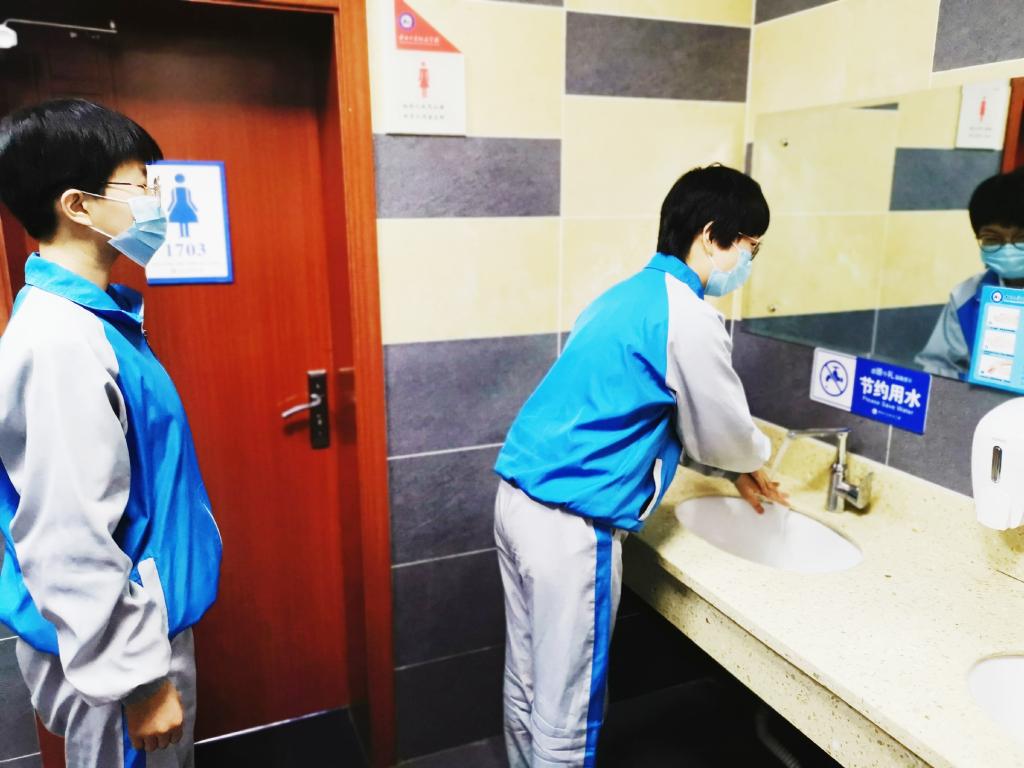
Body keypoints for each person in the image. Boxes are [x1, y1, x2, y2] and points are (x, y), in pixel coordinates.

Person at [493, 164, 787, 767]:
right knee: (567, 712)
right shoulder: (688, 315)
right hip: (570, 528)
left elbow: (647, 408)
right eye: (749, 247)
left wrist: (730, 466)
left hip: (518, 502)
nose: (747, 263)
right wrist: (751, 460)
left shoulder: (622, 295)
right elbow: (722, 430)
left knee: (528, 683)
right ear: (711, 234)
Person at [0, 98, 222, 767]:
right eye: (141, 185)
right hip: (117, 663)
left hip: (133, 636)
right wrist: (140, 682)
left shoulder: (90, 323)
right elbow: (67, 535)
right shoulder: (60, 343)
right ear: (78, 205)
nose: (157, 201)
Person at [916, 167, 1024, 378]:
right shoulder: (966, 297)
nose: (1007, 248)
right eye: (992, 239)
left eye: (1021, 238)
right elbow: (939, 370)